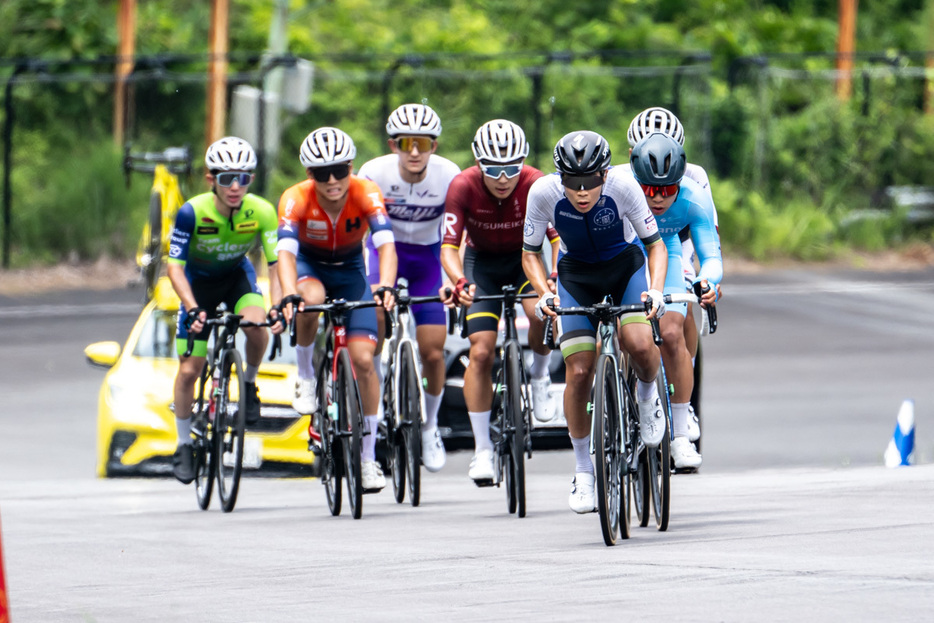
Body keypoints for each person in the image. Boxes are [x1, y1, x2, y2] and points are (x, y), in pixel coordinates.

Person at [522, 130, 668, 513]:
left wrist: (654, 290)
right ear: (560, 178)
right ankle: (584, 470)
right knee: (579, 371)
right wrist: (544, 292)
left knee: (637, 343)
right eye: (572, 182)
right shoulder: (542, 194)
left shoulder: (624, 187)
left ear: (605, 174)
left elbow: (655, 245)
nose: (582, 192)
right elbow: (530, 254)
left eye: (591, 182)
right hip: (576, 276)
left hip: (625, 267)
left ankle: (648, 395)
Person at [276, 126, 398, 492]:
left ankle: (367, 458)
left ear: (351, 167)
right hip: (309, 269)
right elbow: (285, 253)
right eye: (320, 173)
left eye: (340, 171)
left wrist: (387, 286)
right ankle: (306, 376)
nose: (332, 181)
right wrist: (287, 294)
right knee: (309, 300)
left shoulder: (366, 192)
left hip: (350, 271)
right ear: (308, 175)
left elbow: (386, 246)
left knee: (363, 360)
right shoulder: (295, 198)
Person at [439, 119, 559, 484]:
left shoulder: (536, 182)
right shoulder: (463, 185)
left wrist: (553, 277)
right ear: (479, 164)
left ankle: (539, 376)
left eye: (512, 168)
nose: (503, 178)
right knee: (480, 351)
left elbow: (557, 239)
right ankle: (482, 450)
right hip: (482, 267)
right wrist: (459, 282)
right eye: (493, 169)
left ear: (523, 163)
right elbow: (448, 246)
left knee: (539, 313)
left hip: (526, 261)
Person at [167, 136, 281, 485]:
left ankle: (248, 384)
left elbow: (276, 265)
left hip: (236, 277)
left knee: (256, 326)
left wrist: (276, 305)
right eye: (227, 178)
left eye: (244, 178)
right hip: (197, 284)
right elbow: (173, 267)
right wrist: (191, 307)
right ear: (210, 179)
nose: (235, 187)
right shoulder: (192, 213)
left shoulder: (261, 211)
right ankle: (184, 443)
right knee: (190, 370)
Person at [356, 103, 461, 473]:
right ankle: (378, 387)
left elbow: (456, 234)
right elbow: (365, 228)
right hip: (385, 251)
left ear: (434, 145)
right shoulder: (373, 173)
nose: (414, 152)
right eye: (405, 143)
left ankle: (430, 425)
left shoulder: (450, 175)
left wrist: (453, 279)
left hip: (429, 259)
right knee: (373, 335)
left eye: (422, 143)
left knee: (433, 352)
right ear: (393, 145)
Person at [626, 106, 721, 443]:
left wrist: (703, 281)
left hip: (678, 242)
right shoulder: (622, 179)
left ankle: (685, 402)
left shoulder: (695, 178)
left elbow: (708, 238)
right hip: (633, 244)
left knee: (680, 311)